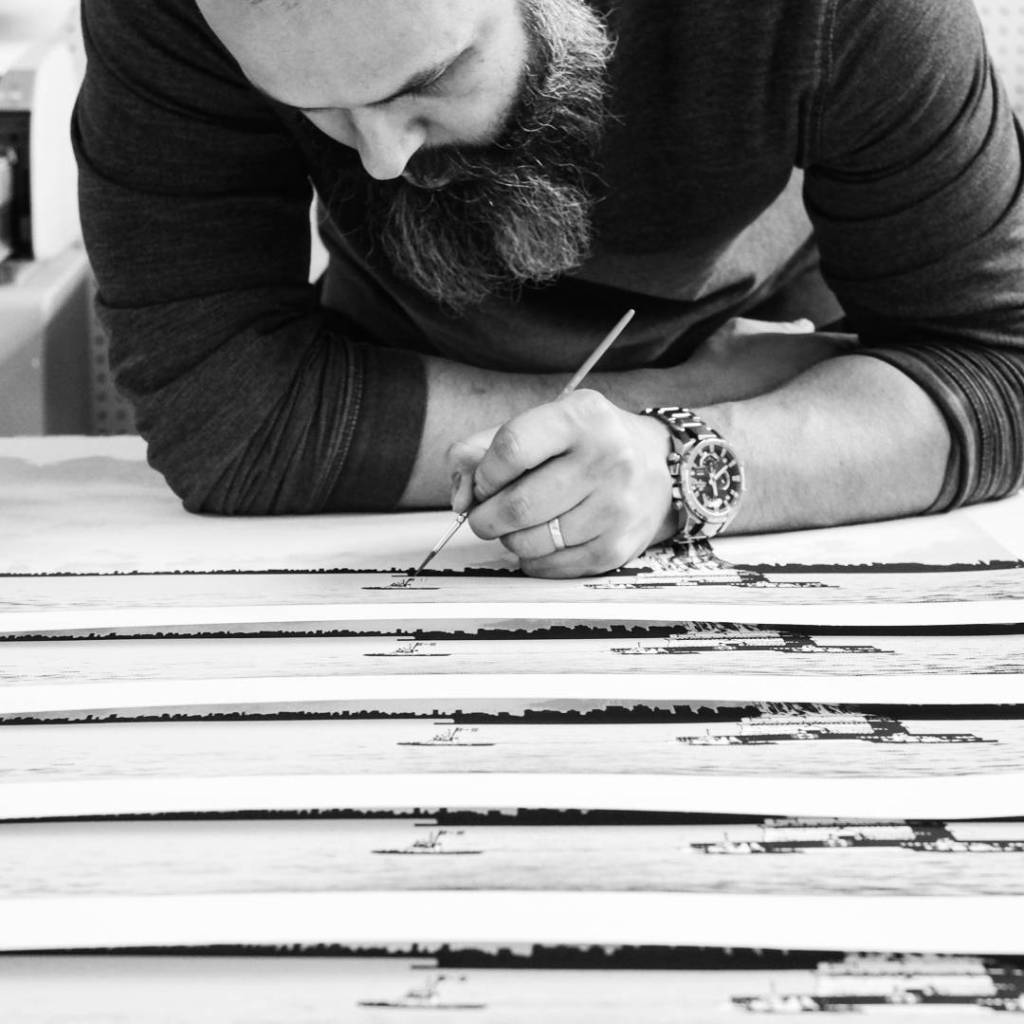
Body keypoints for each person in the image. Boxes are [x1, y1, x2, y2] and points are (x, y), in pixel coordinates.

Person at [74, 0, 1024, 578]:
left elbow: (999, 369)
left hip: (792, 398)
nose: (383, 159)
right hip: (774, 382)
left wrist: (679, 469)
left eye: (431, 79)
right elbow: (226, 420)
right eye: (316, 108)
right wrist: (702, 394)